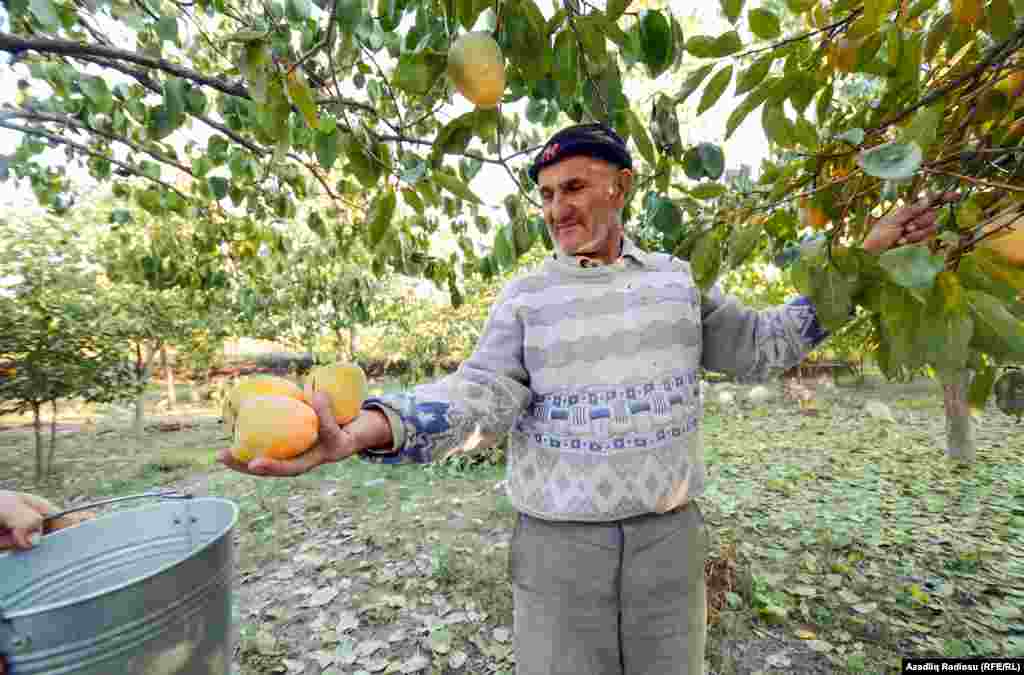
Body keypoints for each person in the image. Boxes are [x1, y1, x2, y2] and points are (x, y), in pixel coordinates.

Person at [219, 123, 956, 674]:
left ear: (621, 185)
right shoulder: (528, 295)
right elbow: (480, 395)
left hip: (669, 549)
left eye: (572, 187)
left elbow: (765, 344)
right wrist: (368, 428)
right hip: (557, 556)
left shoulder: (676, 281)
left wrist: (860, 263)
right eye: (545, 194)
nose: (556, 207)